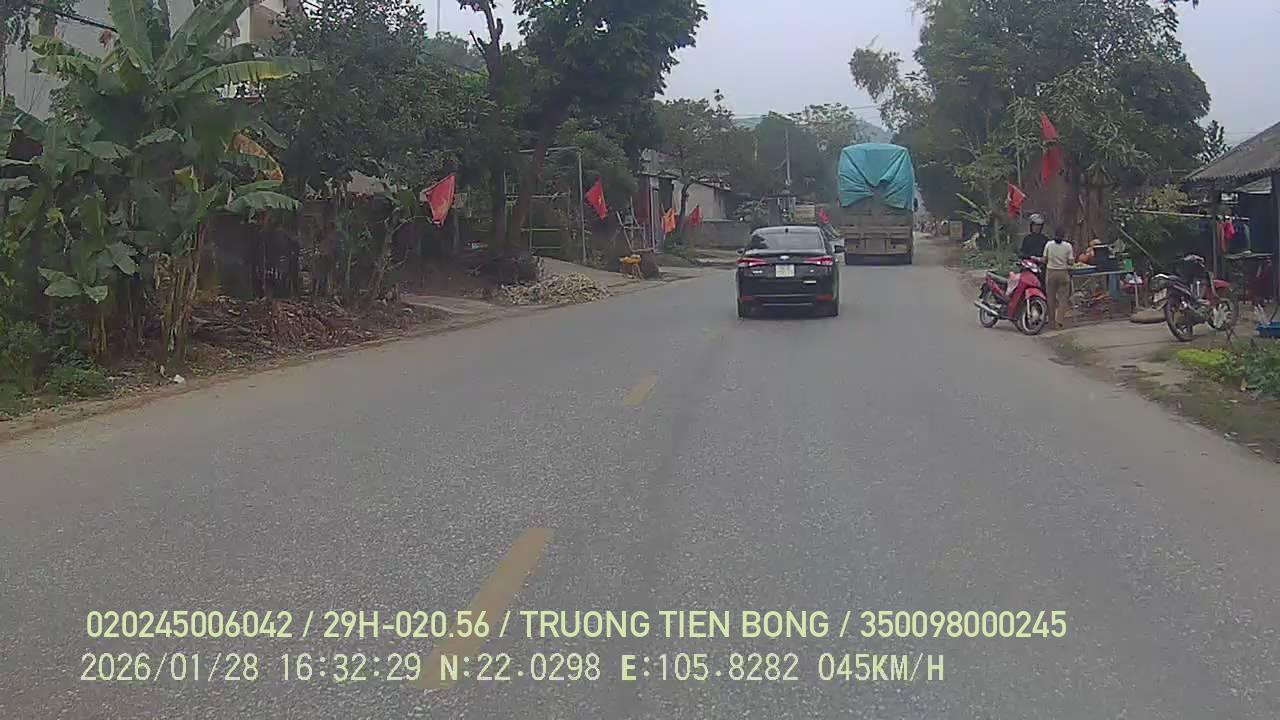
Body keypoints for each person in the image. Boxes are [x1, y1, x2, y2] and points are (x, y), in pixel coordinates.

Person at [1043, 228, 1075, 330]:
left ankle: (1051, 321)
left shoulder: (1049, 244)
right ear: (1064, 236)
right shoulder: (1068, 246)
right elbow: (1071, 262)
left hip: (1051, 272)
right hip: (1063, 273)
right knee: (1063, 298)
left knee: (1050, 298)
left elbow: (1044, 259)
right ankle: (1060, 320)